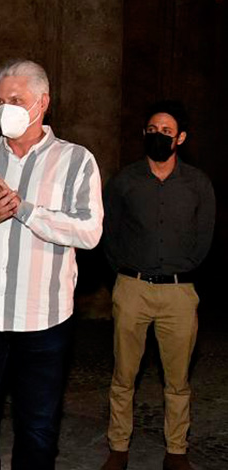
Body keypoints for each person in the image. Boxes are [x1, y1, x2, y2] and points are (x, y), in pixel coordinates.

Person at [0, 59, 103, 470]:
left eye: (16, 99)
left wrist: (23, 209)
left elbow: (89, 232)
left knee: (38, 429)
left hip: (43, 320)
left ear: (42, 102)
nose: (5, 107)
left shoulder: (76, 161)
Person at [101, 101, 215, 470]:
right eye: (153, 130)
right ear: (144, 134)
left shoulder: (197, 183)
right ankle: (118, 447)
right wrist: (124, 269)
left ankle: (176, 450)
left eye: (167, 131)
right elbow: (109, 232)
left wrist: (182, 268)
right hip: (132, 288)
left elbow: (204, 236)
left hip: (180, 293)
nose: (159, 136)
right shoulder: (125, 181)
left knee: (178, 379)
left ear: (180, 138)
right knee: (124, 375)